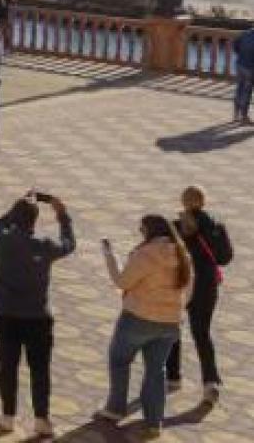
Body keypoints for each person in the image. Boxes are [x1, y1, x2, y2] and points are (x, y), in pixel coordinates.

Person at [0, 193, 74, 440]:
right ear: (34, 222)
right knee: (39, 369)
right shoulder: (44, 245)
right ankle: (41, 420)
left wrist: (18, 205)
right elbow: (69, 244)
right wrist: (62, 215)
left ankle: (7, 416)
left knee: (8, 365)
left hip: (4, 312)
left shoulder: (0, 239)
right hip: (37, 316)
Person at [97, 214, 193, 437]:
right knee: (156, 371)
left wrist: (109, 255)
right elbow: (188, 290)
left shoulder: (146, 254)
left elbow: (122, 281)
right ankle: (153, 421)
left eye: (142, 230)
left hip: (137, 318)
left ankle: (115, 408)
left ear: (149, 231)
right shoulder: (182, 254)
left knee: (119, 360)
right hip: (170, 323)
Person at [166, 186, 233, 405]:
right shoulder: (216, 227)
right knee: (202, 332)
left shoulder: (175, 227)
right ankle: (210, 383)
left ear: (184, 202)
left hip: (181, 283)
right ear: (203, 202)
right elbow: (224, 258)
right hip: (206, 285)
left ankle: (173, 376)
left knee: (173, 326)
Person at [233, 24, 254, 124]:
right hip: (250, 68)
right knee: (246, 92)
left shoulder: (244, 34)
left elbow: (235, 47)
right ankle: (244, 116)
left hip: (240, 64)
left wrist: (241, 56)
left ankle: (236, 115)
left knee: (239, 89)